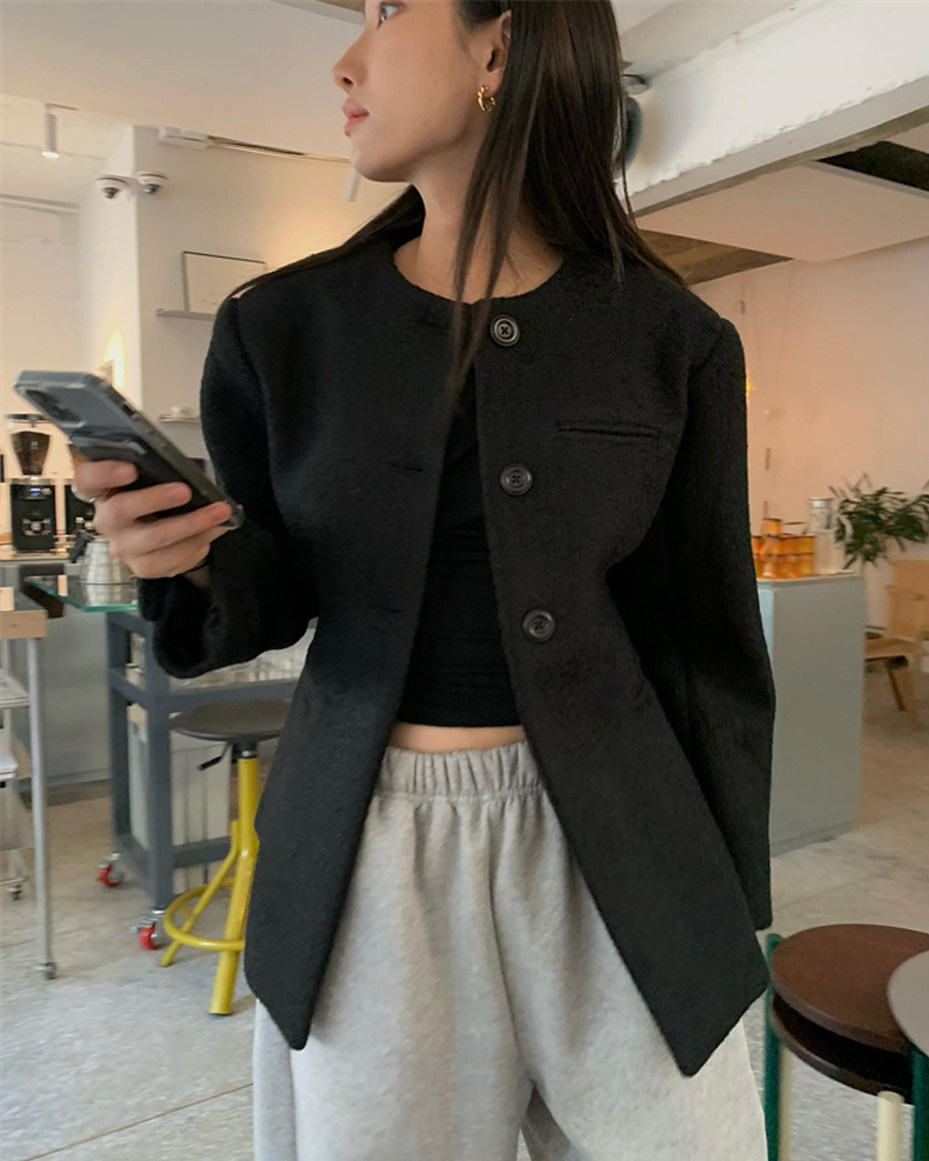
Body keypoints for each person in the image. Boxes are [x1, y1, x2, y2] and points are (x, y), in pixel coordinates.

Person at [77, 1, 776, 1157]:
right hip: (367, 849)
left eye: (389, 9)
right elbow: (268, 594)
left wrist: (730, 900)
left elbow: (705, 644)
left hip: (622, 845)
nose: (344, 61)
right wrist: (184, 561)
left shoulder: (669, 338)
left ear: (497, 47)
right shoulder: (280, 327)